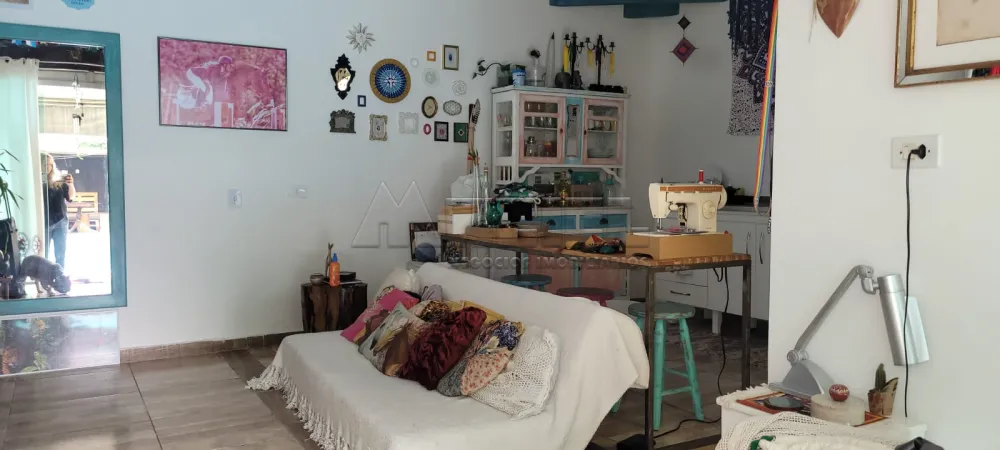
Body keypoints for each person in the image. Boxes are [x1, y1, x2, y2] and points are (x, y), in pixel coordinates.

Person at [42, 154, 74, 269]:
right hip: (44, 221)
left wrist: (70, 185)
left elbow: (70, 197)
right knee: (43, 254)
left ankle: (60, 276)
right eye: (45, 164)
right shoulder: (36, 181)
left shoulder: (58, 181)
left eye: (50, 164)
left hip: (61, 221)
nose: (48, 167)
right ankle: (44, 276)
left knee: (60, 254)